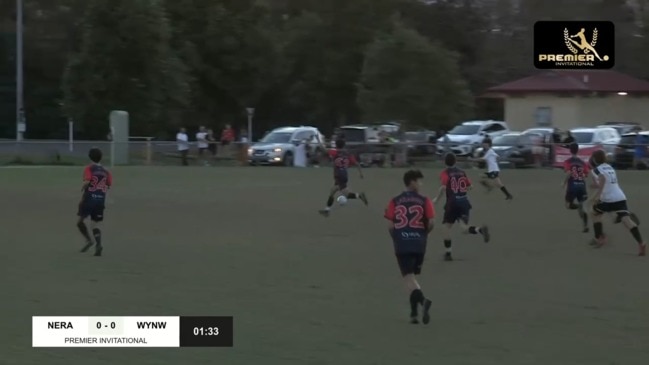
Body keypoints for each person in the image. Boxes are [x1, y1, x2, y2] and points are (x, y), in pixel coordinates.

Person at [383, 169, 434, 324]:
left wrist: (397, 237)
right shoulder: (425, 200)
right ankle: (413, 314)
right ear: (412, 182)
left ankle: (423, 301)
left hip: (403, 242)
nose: (421, 184)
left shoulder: (394, 200)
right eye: (419, 181)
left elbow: (391, 225)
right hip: (419, 243)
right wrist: (424, 234)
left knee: (408, 277)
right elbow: (431, 223)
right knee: (412, 277)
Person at [433, 153, 490, 261]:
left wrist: (436, 199)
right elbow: (470, 187)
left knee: (446, 227)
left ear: (445, 162)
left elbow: (443, 187)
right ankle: (480, 230)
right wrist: (461, 190)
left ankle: (448, 253)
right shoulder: (462, 172)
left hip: (452, 203)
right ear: (455, 162)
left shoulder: (445, 173)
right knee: (464, 228)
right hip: (464, 202)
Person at [587, 150, 645, 256]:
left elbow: (603, 180)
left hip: (607, 199)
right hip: (620, 197)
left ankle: (599, 237)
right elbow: (607, 182)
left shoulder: (596, 170)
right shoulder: (610, 167)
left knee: (593, 212)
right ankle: (641, 243)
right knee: (627, 221)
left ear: (594, 159)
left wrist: (596, 196)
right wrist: (595, 186)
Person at [319, 139, 368, 217]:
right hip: (344, 174)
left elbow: (323, 149)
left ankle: (360, 196)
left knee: (346, 194)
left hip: (339, 175)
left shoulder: (334, 152)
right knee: (332, 191)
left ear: (336, 145)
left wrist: (319, 140)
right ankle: (327, 210)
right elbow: (357, 164)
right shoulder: (348, 154)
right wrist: (361, 173)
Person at [77, 148, 112, 256]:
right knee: (95, 224)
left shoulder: (89, 168)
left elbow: (87, 181)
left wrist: (82, 188)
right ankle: (98, 244)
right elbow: (108, 185)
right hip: (100, 199)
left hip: (89, 198)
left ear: (90, 157)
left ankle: (89, 240)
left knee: (80, 222)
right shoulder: (106, 172)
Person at [562, 143, 590, 233]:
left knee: (568, 205)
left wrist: (564, 182)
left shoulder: (568, 161)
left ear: (570, 150)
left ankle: (578, 206)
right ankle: (585, 225)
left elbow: (569, 172)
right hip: (582, 185)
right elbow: (586, 175)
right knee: (584, 207)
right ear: (578, 150)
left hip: (573, 186)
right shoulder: (583, 163)